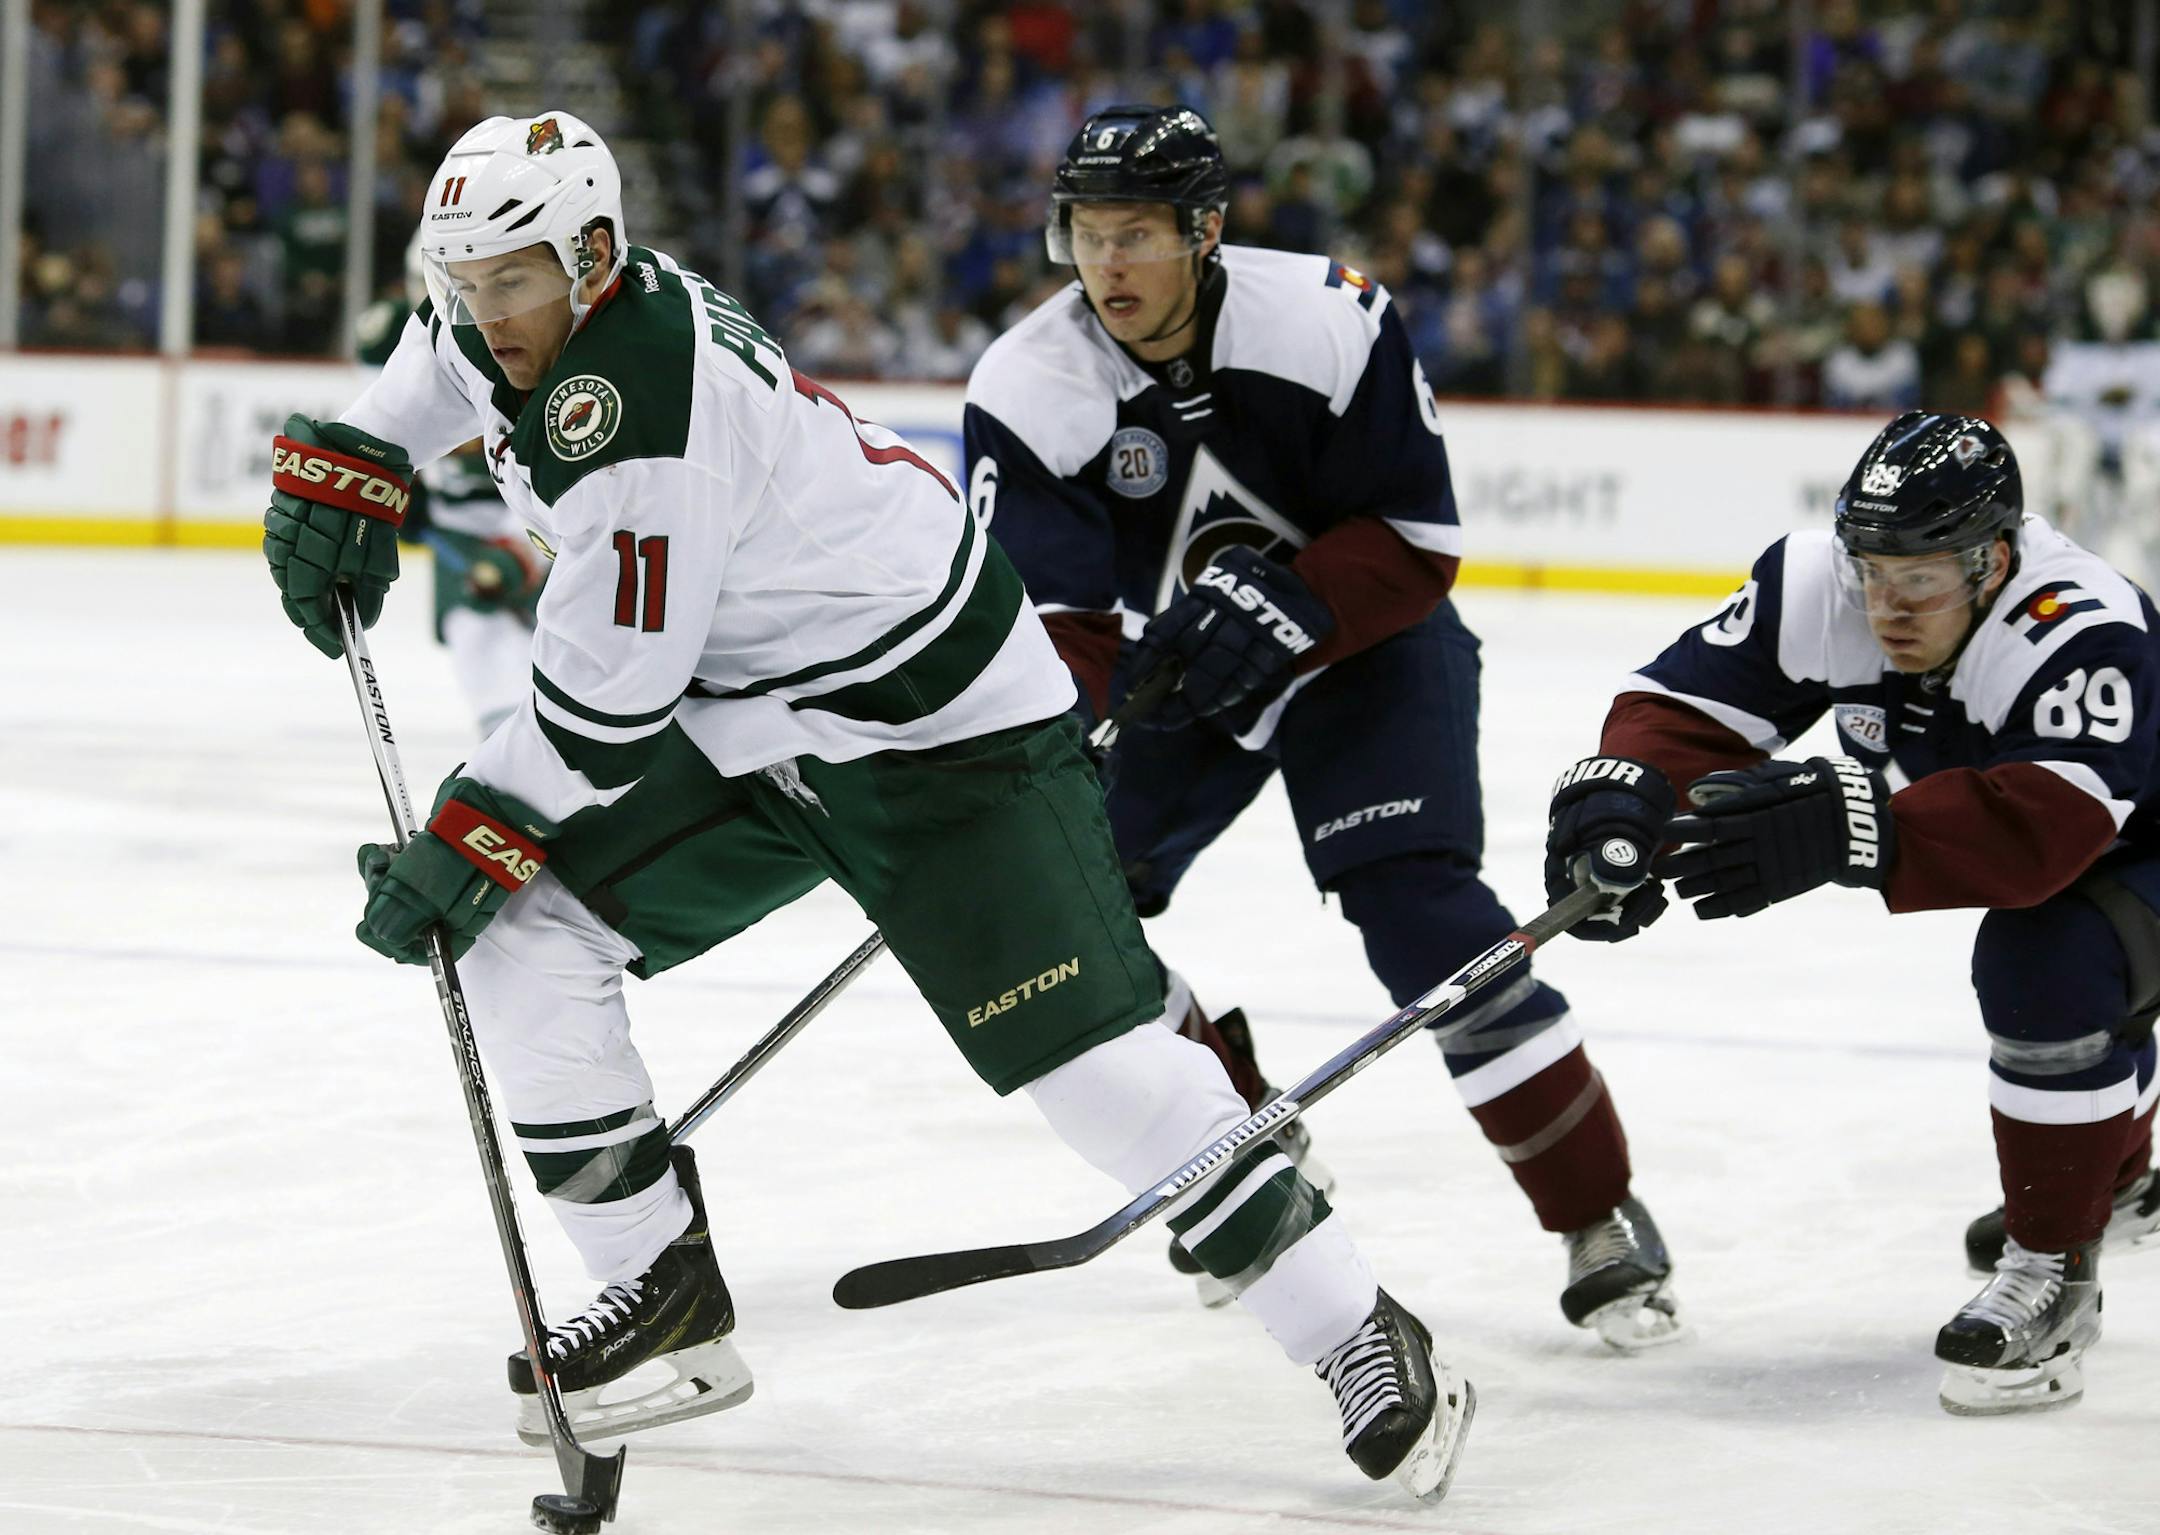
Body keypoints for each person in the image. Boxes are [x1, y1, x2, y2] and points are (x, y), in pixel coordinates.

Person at [261, 111, 1472, 1501]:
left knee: (1099, 1066)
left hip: (941, 733)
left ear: (594, 255)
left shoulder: (645, 406)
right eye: (464, 279)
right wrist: (360, 451)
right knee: (515, 933)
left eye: (514, 281)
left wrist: (468, 823)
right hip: (754, 711)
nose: (489, 313)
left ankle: (1355, 1327)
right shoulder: (509, 298)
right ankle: (657, 1289)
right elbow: (440, 353)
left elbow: (604, 707)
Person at [963, 104, 1684, 1350]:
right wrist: (1052, 746)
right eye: (1087, 234)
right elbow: (1066, 625)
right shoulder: (1028, 385)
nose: (1109, 266)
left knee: (1423, 917)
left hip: (1367, 648)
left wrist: (1289, 600)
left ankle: (1596, 1209)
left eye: (1138, 234)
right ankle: (1244, 1133)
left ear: (1207, 232)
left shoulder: (1326, 319)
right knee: (1067, 902)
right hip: (1175, 672)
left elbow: (1415, 541)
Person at [1544, 410, 2160, 1416]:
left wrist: (1850, 824)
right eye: (1873, 570)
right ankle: (2117, 1170)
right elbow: (1686, 710)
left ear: (1993, 557)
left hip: (2133, 838)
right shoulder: (1821, 582)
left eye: (1919, 578)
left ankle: (2056, 1268)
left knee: (2049, 957)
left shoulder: (2075, 622)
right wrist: (1632, 805)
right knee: (2072, 991)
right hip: (2070, 836)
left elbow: (2046, 834)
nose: (1888, 604)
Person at [354, 232, 543, 735]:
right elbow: (379, 426)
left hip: (537, 517)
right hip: (458, 522)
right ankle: (507, 746)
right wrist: (395, 486)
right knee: (473, 626)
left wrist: (520, 550)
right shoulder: (395, 334)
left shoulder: (538, 337)